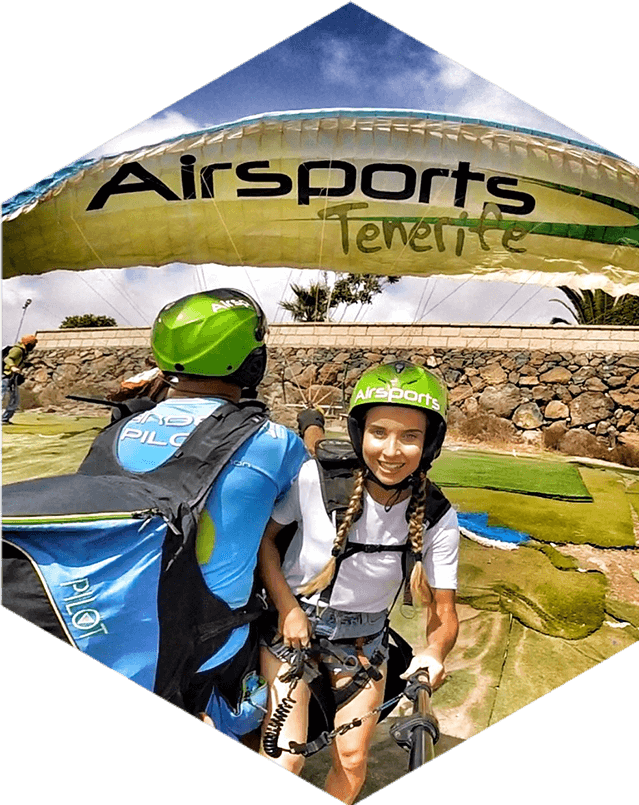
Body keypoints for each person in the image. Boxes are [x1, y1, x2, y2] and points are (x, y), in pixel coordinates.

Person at [109, 287, 309, 740]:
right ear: (249, 360)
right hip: (213, 646)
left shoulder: (115, 431)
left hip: (122, 628)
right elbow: (309, 483)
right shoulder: (274, 442)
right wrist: (311, 429)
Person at [257, 361, 460, 803]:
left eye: (411, 436)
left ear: (430, 445)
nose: (391, 450)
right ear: (358, 434)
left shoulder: (439, 515)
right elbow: (266, 543)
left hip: (365, 644)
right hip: (293, 634)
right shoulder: (315, 479)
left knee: (351, 759)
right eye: (379, 432)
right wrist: (288, 608)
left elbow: (442, 611)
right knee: (286, 756)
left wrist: (434, 651)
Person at [1, 334, 37, 424]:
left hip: (12, 378)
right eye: (33, 345)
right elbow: (7, 359)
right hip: (5, 376)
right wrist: (12, 366)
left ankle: (4, 419)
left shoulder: (24, 352)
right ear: (28, 344)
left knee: (14, 399)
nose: (33, 347)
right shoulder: (17, 350)